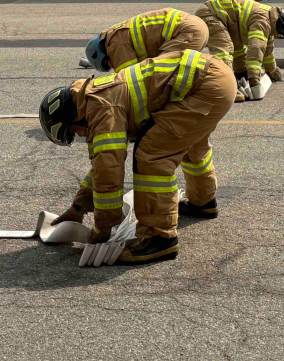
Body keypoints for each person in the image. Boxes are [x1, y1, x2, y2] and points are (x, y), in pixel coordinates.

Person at [39, 49, 237, 264]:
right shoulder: (93, 98)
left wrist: (103, 228)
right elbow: (102, 164)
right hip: (213, 78)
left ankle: (159, 238)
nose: (78, 135)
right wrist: (79, 207)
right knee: (189, 143)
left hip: (205, 86)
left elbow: (109, 171)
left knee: (151, 155)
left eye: (72, 131)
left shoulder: (101, 109)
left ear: (73, 117)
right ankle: (203, 201)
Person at [194, 0, 284, 101]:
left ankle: (239, 73)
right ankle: (226, 88)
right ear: (282, 28)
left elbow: (267, 53)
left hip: (226, 20)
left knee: (238, 48)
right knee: (224, 50)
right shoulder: (263, 22)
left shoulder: (270, 21)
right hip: (211, 15)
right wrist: (254, 80)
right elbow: (255, 51)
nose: (279, 36)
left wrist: (273, 72)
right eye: (282, 35)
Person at [85, 8, 209, 72]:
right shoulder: (115, 33)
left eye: (107, 63)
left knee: (161, 74)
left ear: (102, 54)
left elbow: (128, 78)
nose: (112, 65)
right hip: (194, 26)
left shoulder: (115, 45)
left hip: (187, 32)